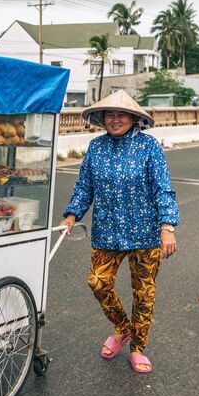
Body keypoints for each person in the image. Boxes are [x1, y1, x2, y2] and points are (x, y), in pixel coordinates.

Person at [60, 90, 179, 374]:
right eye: (109, 115)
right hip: (107, 232)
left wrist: (167, 227)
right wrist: (71, 215)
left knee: (143, 293)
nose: (114, 120)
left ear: (134, 118)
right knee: (97, 282)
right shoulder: (96, 147)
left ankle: (137, 347)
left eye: (120, 114)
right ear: (102, 119)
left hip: (145, 233)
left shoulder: (149, 147)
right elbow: (84, 186)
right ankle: (122, 328)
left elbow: (163, 188)